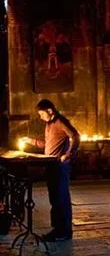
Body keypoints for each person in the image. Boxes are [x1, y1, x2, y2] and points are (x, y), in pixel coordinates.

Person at [24, 99, 80, 242]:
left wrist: (68, 154)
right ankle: (57, 229)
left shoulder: (60, 121)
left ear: (50, 110)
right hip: (51, 165)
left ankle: (64, 232)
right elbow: (48, 145)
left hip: (60, 166)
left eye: (42, 114)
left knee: (61, 198)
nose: (41, 117)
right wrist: (30, 141)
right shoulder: (49, 125)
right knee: (54, 198)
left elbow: (75, 136)